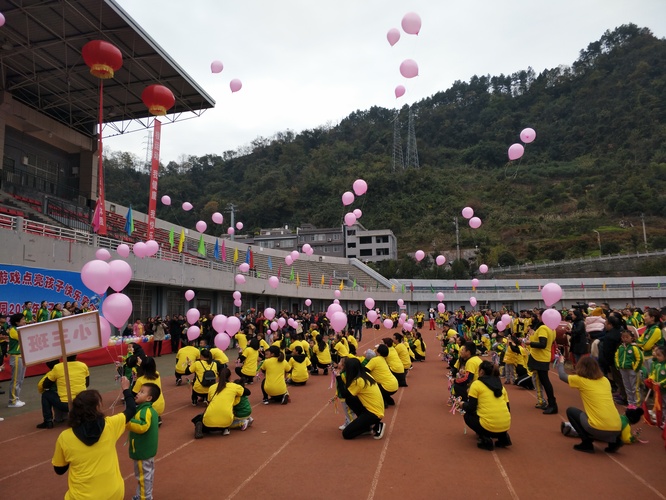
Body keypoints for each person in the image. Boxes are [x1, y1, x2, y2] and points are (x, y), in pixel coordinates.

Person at [51, 376, 136, 499]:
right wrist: (126, 389)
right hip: (114, 494)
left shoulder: (65, 437)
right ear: (97, 408)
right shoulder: (110, 425)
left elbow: (59, 470)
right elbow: (131, 409)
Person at [555, 355, 622, 453]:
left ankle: (587, 443)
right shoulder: (605, 380)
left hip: (598, 428)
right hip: (617, 428)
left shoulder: (580, 380)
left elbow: (562, 375)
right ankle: (613, 442)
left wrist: (561, 362)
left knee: (571, 411)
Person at [463, 361, 512, 451]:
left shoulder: (477, 384)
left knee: (467, 416)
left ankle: (485, 438)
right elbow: (508, 408)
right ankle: (503, 437)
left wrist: (462, 405)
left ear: (481, 372)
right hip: (506, 425)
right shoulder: (501, 387)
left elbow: (471, 408)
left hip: (489, 427)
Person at [336, 357, 386, 440]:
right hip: (375, 409)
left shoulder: (358, 381)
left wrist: (338, 377)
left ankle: (376, 425)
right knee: (350, 399)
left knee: (346, 434)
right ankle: (366, 427)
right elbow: (348, 395)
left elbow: (344, 394)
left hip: (373, 413)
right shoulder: (366, 375)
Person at [127, 382, 160, 500]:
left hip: (142, 451)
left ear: (149, 398)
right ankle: (142, 495)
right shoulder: (147, 410)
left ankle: (145, 497)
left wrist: (127, 422)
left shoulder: (145, 411)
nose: (137, 393)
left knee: (143, 476)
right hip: (146, 450)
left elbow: (143, 426)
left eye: (142, 392)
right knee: (146, 475)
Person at [37, 355, 90, 429]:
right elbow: (87, 384)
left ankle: (48, 421)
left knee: (46, 394)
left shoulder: (58, 367)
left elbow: (45, 385)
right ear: (76, 356)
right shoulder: (83, 365)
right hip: (82, 402)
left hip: (65, 405)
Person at [192, 368, 247, 438]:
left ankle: (202, 426)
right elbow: (247, 392)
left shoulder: (212, 387)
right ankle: (225, 428)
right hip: (226, 422)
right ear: (230, 377)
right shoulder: (235, 387)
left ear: (217, 376)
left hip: (209, 423)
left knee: (202, 418)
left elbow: (209, 402)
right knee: (230, 409)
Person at [525, 309, 558, 414]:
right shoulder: (552, 328)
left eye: (539, 315)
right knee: (544, 381)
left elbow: (542, 344)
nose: (537, 316)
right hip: (543, 356)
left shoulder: (543, 328)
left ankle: (552, 404)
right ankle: (550, 403)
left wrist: (530, 342)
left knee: (545, 381)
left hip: (540, 357)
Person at [614, 330, 643, 409]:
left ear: (632, 338)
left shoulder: (634, 348)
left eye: (627, 337)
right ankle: (630, 403)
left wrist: (635, 368)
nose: (625, 339)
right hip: (623, 370)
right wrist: (618, 365)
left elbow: (640, 358)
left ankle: (637, 404)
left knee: (635, 388)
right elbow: (616, 357)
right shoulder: (620, 348)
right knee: (627, 387)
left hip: (632, 370)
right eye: (623, 337)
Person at [133, 357, 165, 423]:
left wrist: (134, 381)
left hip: (149, 408)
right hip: (161, 405)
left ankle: (145, 418)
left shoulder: (140, 380)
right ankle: (156, 417)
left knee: (134, 399)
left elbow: (133, 393)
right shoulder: (157, 374)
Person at [7, 313, 27, 408]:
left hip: (21, 356)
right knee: (15, 380)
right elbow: (23, 338)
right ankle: (12, 401)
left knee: (20, 379)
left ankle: (17, 398)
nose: (25, 321)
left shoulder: (20, 329)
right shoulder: (13, 330)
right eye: (23, 319)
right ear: (17, 322)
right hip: (16, 357)